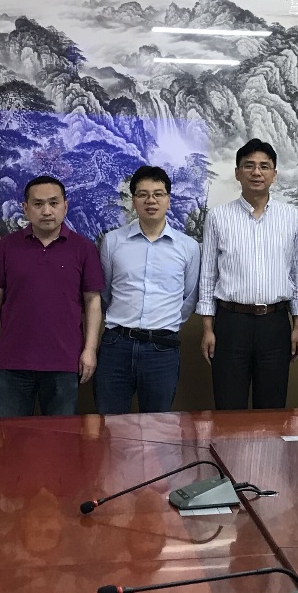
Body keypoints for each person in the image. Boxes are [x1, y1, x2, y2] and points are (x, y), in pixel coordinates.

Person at [197, 139, 298, 410]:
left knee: (272, 408)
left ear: (274, 174)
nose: (256, 172)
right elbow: (208, 276)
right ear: (238, 173)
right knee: (228, 406)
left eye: (264, 166)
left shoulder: (291, 217)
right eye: (249, 166)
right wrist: (208, 329)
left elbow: (297, 275)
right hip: (231, 323)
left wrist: (297, 327)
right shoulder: (218, 217)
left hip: (275, 323)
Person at [0, 176, 104, 416]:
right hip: (13, 361)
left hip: (65, 361)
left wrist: (90, 350)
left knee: (60, 435)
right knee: (11, 434)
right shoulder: (7, 246)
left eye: (53, 203)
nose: (46, 211)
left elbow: (92, 301)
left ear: (65, 206)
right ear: (25, 208)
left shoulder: (83, 248)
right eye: (38, 204)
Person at [94, 165, 200, 414]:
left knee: (158, 426)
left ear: (168, 200)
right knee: (110, 423)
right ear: (134, 201)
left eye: (158, 194)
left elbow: (189, 297)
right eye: (143, 194)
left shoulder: (188, 247)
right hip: (116, 345)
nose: (151, 200)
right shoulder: (112, 241)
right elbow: (105, 292)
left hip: (162, 349)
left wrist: (164, 326)